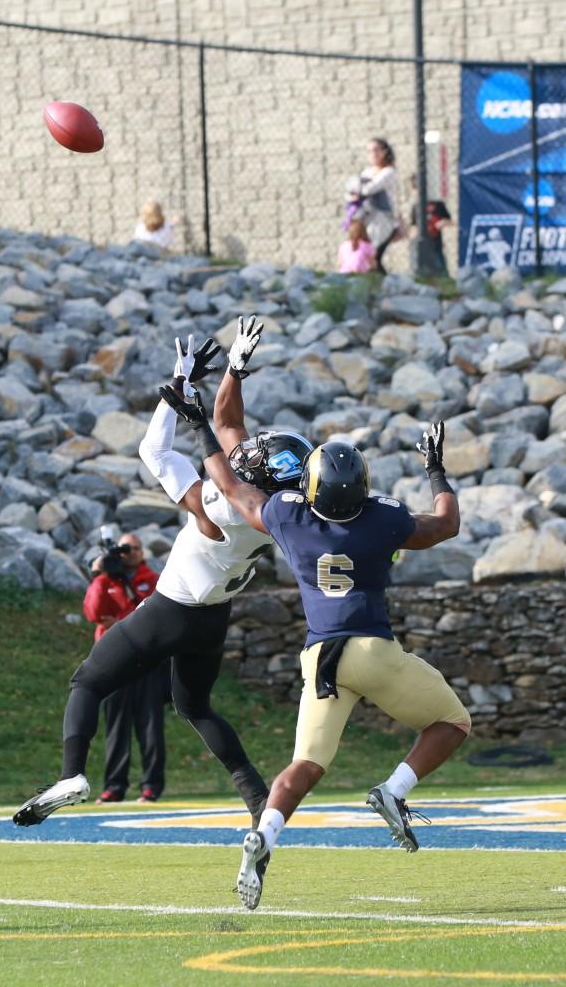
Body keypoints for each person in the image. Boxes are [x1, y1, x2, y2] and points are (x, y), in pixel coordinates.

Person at [158, 387, 472, 911]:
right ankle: (393, 791)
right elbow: (446, 524)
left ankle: (266, 835)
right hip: (373, 651)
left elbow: (232, 486)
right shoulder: (384, 519)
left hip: (321, 659)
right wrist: (436, 469)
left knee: (304, 764)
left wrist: (201, 427)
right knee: (452, 722)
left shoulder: (288, 516)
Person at [12, 319, 313, 831]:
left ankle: (71, 775)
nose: (251, 447)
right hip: (214, 618)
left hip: (173, 609)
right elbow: (231, 424)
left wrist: (177, 388)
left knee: (86, 682)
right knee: (195, 707)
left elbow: (156, 450)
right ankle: (259, 800)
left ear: (254, 476)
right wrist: (235, 371)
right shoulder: (282, 512)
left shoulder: (220, 502)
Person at [83, 531, 167, 804]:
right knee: (116, 729)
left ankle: (151, 786)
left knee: (150, 728)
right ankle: (114, 787)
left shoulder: (151, 579)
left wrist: (118, 622)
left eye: (133, 548)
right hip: (114, 663)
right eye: (124, 549)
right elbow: (94, 613)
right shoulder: (107, 580)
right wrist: (100, 577)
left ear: (141, 552)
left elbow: (152, 616)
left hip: (146, 662)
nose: (128, 554)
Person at [358, 137, 402, 274]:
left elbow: (368, 189)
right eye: (369, 151)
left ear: (384, 152)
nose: (373, 154)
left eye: (376, 150)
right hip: (367, 219)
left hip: (384, 220)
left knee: (375, 254)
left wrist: (358, 189)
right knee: (369, 256)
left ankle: (381, 283)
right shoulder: (366, 172)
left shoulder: (389, 172)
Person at [409, 174, 453, 276]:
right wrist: (413, 235)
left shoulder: (437, 204)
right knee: (419, 270)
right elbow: (413, 226)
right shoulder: (416, 207)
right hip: (422, 245)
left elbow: (450, 221)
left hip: (436, 243)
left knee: (441, 269)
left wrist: (443, 223)